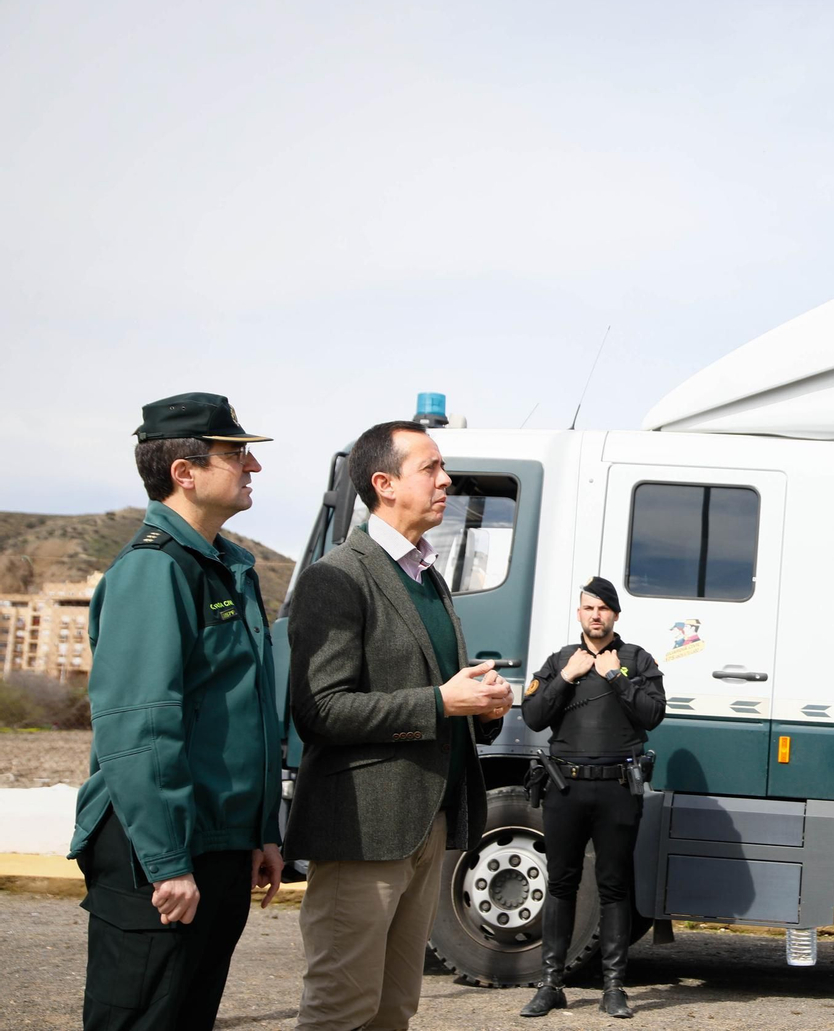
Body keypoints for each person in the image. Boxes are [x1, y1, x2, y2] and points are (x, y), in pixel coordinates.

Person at [285, 420, 513, 1031]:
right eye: (431, 468)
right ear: (383, 484)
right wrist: (441, 702)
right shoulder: (338, 577)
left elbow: (437, 696)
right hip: (363, 830)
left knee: (392, 1010)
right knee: (340, 1008)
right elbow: (320, 711)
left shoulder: (428, 577)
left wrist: (481, 708)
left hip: (425, 825)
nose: (447, 481)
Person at [68, 392, 284, 1031]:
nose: (253, 467)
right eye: (236, 453)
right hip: (156, 849)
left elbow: (243, 717)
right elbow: (140, 726)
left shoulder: (225, 569)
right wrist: (167, 862)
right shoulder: (153, 572)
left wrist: (259, 831)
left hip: (217, 845)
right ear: (184, 472)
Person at [519, 577, 666, 1019]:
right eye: (588, 608)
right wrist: (567, 677)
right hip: (565, 788)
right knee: (561, 883)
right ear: (579, 614)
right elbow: (533, 715)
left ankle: (614, 988)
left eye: (603, 608)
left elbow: (653, 715)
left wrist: (615, 677)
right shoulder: (561, 660)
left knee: (614, 885)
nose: (595, 615)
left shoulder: (636, 660)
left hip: (617, 788)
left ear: (616, 614)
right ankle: (550, 984)